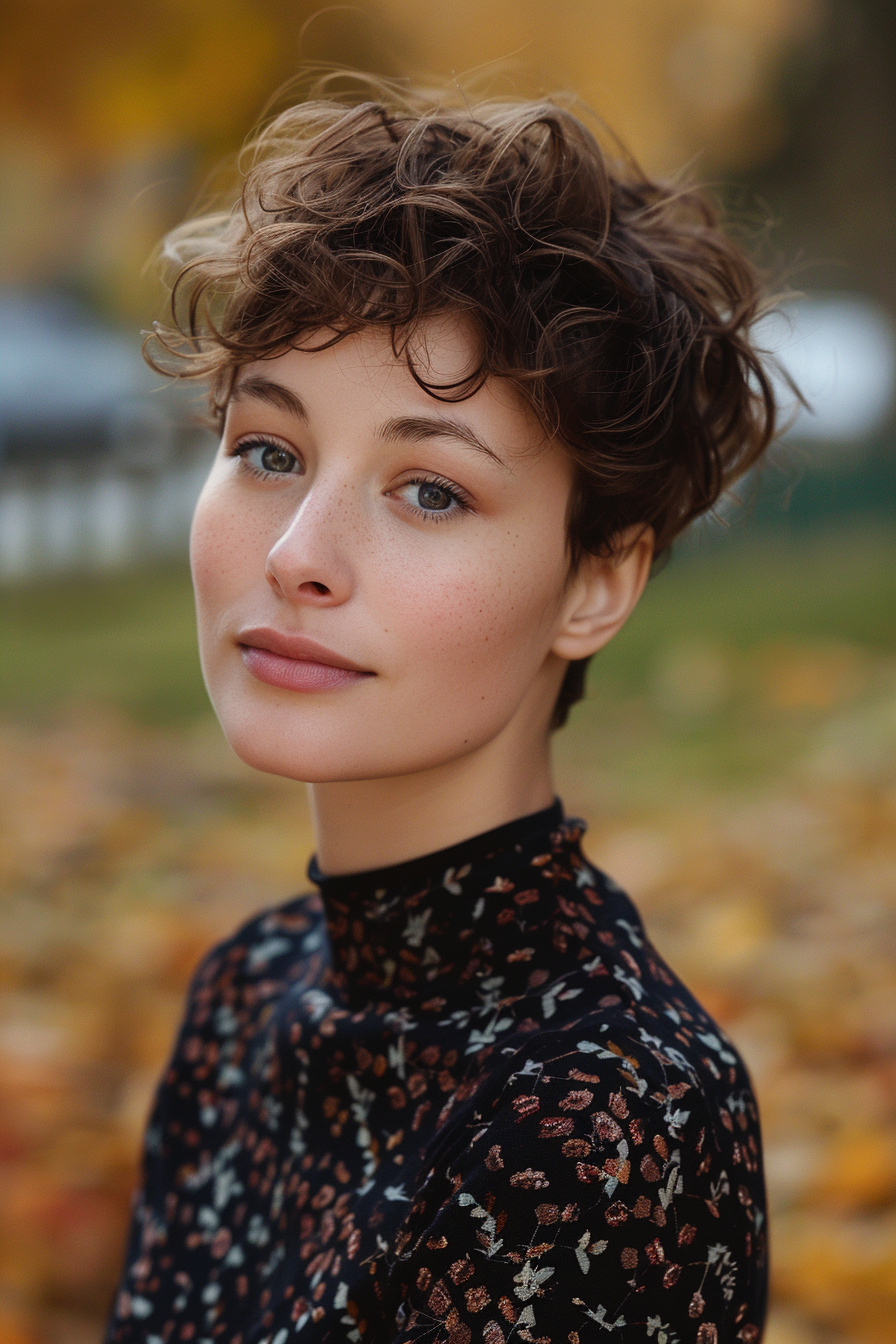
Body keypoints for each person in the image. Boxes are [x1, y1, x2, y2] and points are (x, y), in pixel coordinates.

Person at [107, 80, 776, 1344]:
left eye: (427, 491)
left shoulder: (609, 1115)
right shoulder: (246, 998)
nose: (298, 553)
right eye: (268, 451)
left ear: (595, 580)